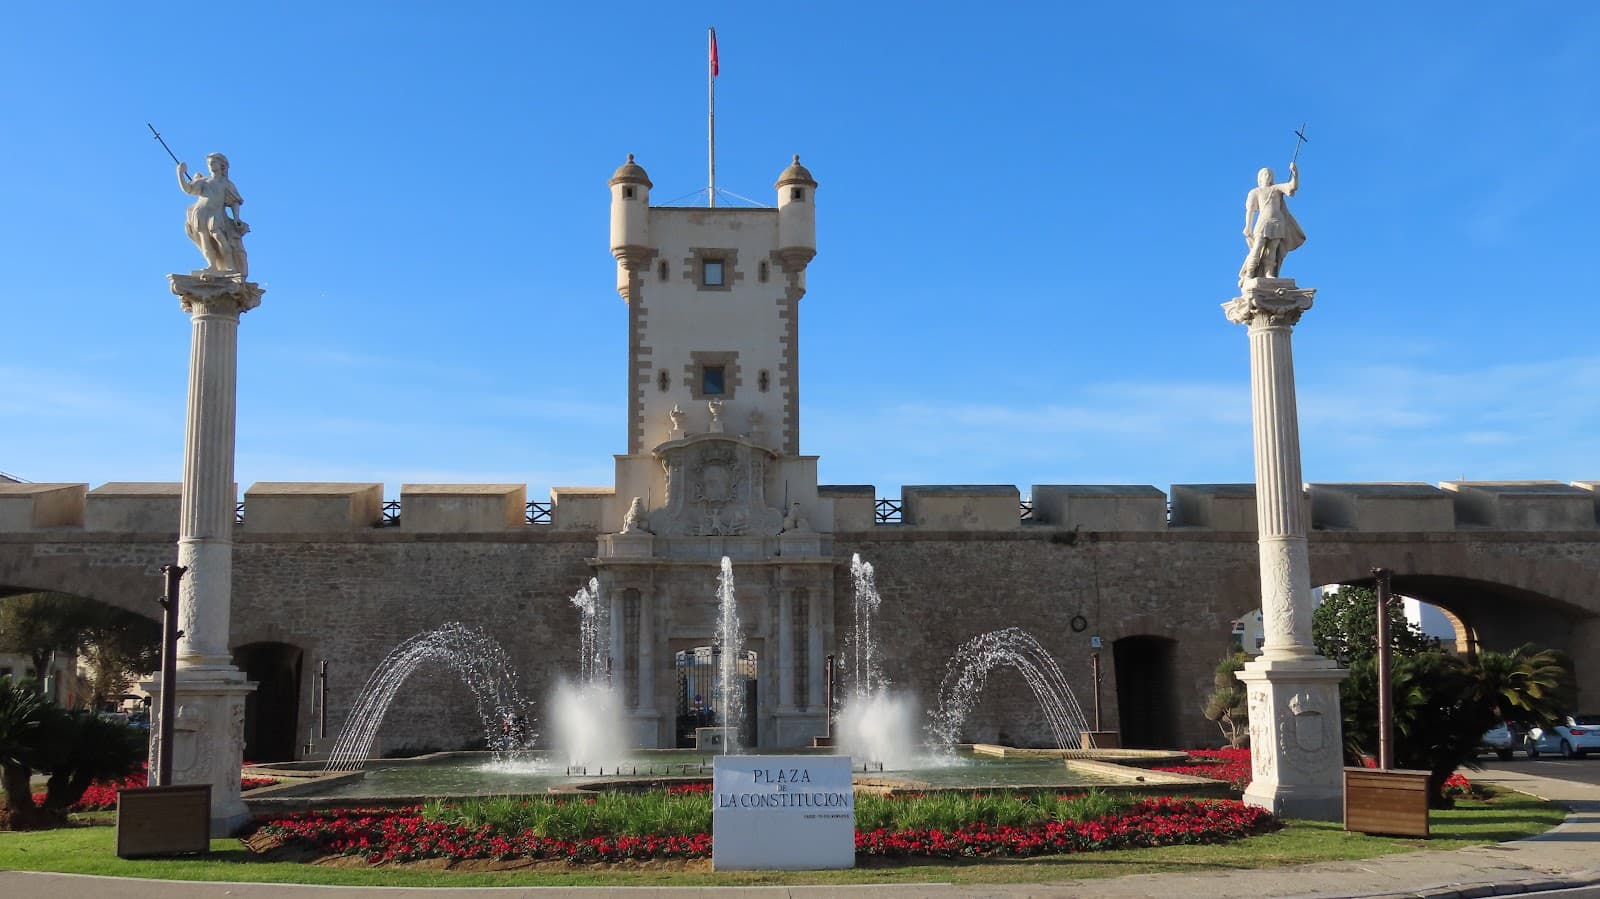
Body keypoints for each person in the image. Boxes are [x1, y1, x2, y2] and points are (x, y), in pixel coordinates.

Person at [178, 152, 249, 276]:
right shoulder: (203, 181)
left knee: (221, 240)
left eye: (213, 162)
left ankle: (230, 266)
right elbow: (188, 189)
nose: (210, 165)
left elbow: (234, 202)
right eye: (209, 163)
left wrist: (237, 218)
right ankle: (212, 266)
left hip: (216, 215)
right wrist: (180, 173)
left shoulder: (226, 184)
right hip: (200, 214)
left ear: (222, 165)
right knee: (205, 240)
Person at [1238, 162, 1303, 283]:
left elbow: (1292, 187)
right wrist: (1248, 226)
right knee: (1257, 247)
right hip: (1263, 222)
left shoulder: (1276, 189)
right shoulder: (1255, 192)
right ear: (1260, 177)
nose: (1267, 176)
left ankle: (1269, 272)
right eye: (1265, 174)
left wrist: (1295, 173)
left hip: (1278, 222)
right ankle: (1250, 273)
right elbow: (1250, 211)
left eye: (1269, 174)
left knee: (1273, 249)